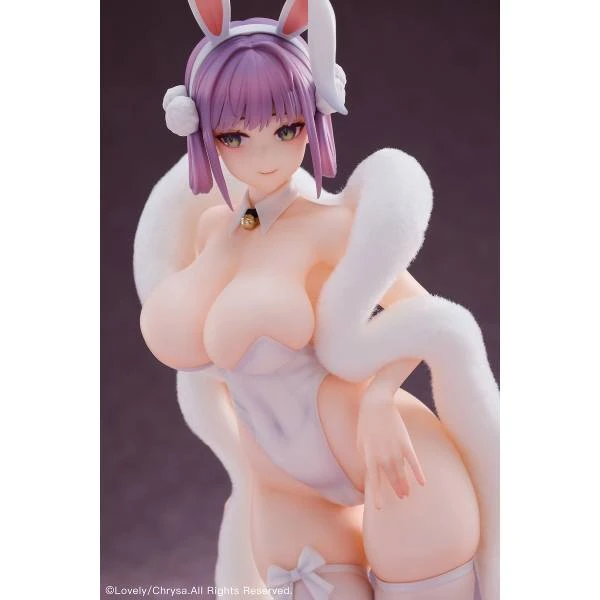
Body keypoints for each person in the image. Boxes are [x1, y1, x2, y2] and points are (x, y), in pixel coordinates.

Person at [134, 1, 499, 599]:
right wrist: (231, 240)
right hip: (282, 487)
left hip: (382, 451)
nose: (265, 154)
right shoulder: (215, 231)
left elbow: (428, 318)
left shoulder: (331, 226)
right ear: (203, 133)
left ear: (313, 118)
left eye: (286, 128)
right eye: (234, 135)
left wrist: (379, 397)